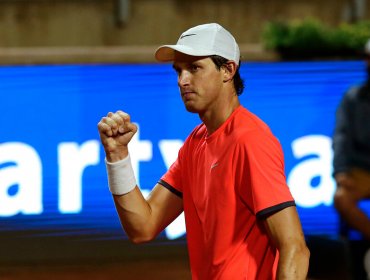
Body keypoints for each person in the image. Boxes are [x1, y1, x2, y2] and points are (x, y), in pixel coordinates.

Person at [98, 23, 310, 279]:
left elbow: (295, 248)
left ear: (228, 70)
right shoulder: (195, 143)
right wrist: (117, 156)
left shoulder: (250, 140)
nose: (182, 81)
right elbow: (143, 226)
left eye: (194, 68)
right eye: (178, 71)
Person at [332, 38, 370, 241]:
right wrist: (340, 170)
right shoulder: (352, 98)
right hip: (361, 170)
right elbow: (341, 136)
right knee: (341, 198)